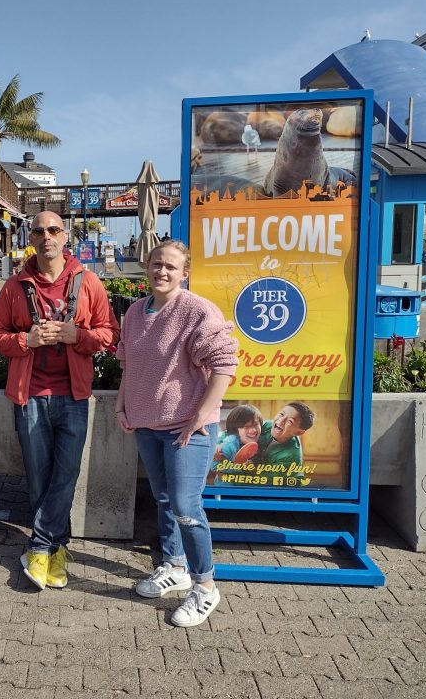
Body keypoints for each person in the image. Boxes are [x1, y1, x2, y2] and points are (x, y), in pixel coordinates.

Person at [0, 211, 119, 591]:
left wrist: (73, 335)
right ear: (31, 236)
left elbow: (109, 333)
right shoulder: (15, 286)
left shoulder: (88, 282)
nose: (46, 236)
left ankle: (41, 546)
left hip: (73, 395)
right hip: (29, 395)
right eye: (39, 230)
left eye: (54, 230)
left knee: (66, 474)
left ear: (66, 236)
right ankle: (56, 548)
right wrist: (25, 341)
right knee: (39, 475)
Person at [115, 240, 238, 628]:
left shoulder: (196, 310)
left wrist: (203, 413)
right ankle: (175, 565)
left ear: (184, 273)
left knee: (186, 508)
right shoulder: (136, 312)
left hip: (187, 427)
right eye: (156, 264)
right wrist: (122, 404)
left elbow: (225, 362)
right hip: (147, 423)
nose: (161, 272)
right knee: (164, 498)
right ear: (146, 266)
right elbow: (127, 364)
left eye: (171, 267)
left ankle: (205, 587)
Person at [210, 404, 262, 484]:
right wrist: (239, 467)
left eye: (256, 424)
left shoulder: (264, 439)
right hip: (228, 491)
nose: (253, 430)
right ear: (236, 430)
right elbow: (214, 466)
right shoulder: (230, 443)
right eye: (246, 426)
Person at [256, 402, 313, 468]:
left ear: (299, 432)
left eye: (290, 421)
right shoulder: (267, 425)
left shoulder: (291, 457)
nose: (280, 421)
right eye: (282, 414)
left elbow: (265, 477)